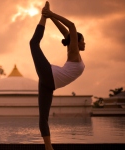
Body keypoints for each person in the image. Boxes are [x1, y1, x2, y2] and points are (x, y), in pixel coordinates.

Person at [29, 1, 85, 150]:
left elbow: (67, 33)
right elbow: (71, 26)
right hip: (50, 76)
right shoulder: (74, 52)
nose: (85, 43)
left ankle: (48, 147)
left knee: (43, 118)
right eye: (83, 40)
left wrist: (50, 15)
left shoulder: (73, 50)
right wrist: (49, 15)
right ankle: (43, 17)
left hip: (50, 83)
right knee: (33, 43)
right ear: (77, 42)